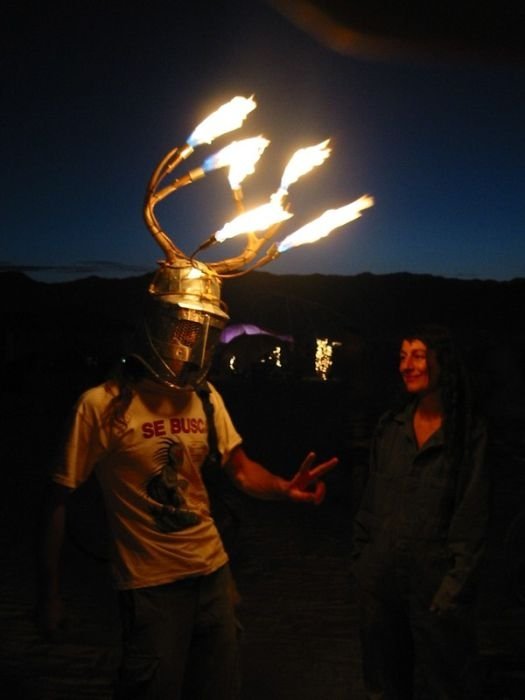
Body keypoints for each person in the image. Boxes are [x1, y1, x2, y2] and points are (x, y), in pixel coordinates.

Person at [36, 261, 338, 699]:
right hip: (149, 589)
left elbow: (239, 468)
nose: (191, 341)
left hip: (213, 575)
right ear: (157, 325)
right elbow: (56, 499)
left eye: (202, 331)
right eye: (182, 327)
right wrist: (49, 593)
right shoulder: (102, 405)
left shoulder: (205, 396)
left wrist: (284, 488)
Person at [351, 324, 489, 699]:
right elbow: (370, 502)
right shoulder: (391, 428)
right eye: (402, 356)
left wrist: (453, 589)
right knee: (383, 685)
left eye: (418, 355)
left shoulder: (467, 436)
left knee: (443, 686)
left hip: (436, 593)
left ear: (442, 362)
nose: (407, 366)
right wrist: (364, 564)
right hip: (381, 588)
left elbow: (473, 519)